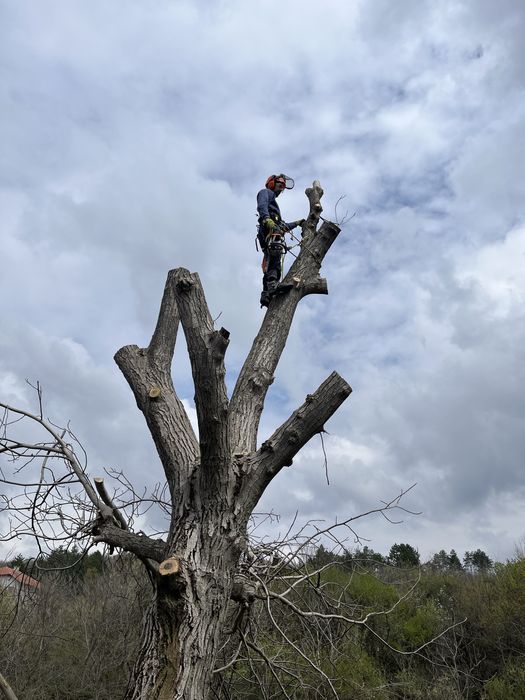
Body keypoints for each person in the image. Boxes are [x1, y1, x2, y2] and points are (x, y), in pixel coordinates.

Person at [256, 174, 304, 307]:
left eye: (282, 187)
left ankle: (266, 294)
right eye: (279, 185)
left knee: (271, 258)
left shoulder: (275, 208)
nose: (281, 189)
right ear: (272, 183)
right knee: (276, 248)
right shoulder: (265, 193)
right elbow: (262, 206)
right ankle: (272, 285)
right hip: (267, 228)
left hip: (272, 228)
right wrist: (266, 219)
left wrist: (297, 223)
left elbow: (282, 226)